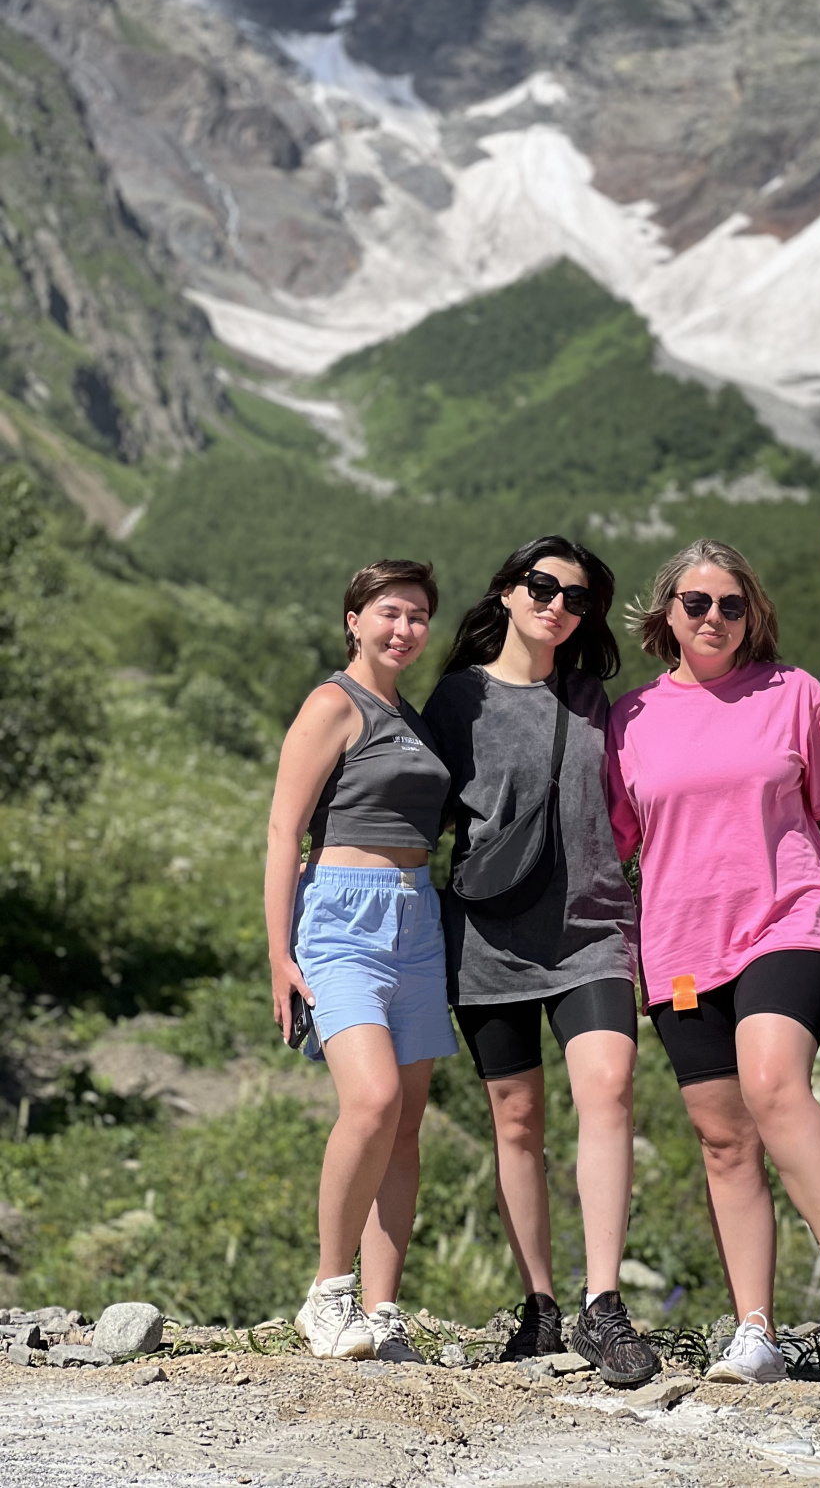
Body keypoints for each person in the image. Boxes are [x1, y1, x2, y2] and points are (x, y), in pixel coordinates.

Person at [607, 537, 820, 1386]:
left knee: (774, 1086)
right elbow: (615, 844)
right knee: (722, 1139)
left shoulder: (793, 694)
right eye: (695, 604)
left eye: (730, 605)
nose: (712, 619)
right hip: (680, 948)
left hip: (788, 922)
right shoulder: (630, 721)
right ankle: (754, 1331)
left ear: (752, 614)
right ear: (666, 613)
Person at [423, 537, 656, 1388]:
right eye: (541, 586)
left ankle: (603, 1306)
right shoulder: (457, 701)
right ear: (508, 593)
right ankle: (539, 1306)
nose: (556, 603)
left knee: (608, 1087)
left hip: (592, 934)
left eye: (576, 597)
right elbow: (415, 807)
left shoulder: (597, 701)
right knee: (516, 1123)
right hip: (488, 938)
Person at [265, 560, 456, 1364]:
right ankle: (327, 1292)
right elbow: (283, 830)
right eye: (388, 612)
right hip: (341, 914)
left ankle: (380, 1311)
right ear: (354, 619)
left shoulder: (408, 714)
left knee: (406, 1126)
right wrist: (278, 953)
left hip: (417, 918)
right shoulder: (331, 704)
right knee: (372, 1100)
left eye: (416, 616)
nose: (403, 629)